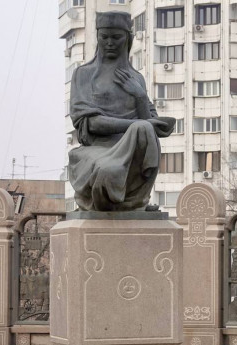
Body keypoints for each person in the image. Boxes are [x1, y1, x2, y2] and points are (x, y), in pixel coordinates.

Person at [69, 11, 175, 211]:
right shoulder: (83, 74)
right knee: (109, 171)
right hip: (98, 149)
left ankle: (137, 202)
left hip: (133, 150)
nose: (110, 43)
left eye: (116, 37)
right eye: (104, 37)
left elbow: (149, 126)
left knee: (144, 129)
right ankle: (124, 205)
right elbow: (89, 123)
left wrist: (140, 96)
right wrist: (135, 125)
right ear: (98, 37)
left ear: (127, 39)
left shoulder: (137, 78)